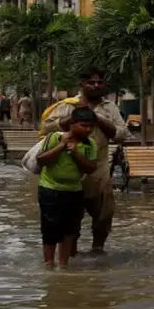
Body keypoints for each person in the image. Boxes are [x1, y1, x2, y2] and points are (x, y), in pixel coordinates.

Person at [42, 69, 129, 255]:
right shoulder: (68, 105)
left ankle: (97, 251)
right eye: (91, 82)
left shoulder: (110, 108)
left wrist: (97, 118)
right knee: (70, 219)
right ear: (82, 85)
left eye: (99, 82)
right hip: (70, 172)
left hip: (99, 170)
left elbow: (122, 135)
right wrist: (74, 117)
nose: (96, 86)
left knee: (104, 215)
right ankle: (70, 256)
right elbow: (47, 128)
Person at [36, 107, 99, 268]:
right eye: (84, 125)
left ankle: (63, 264)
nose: (88, 129)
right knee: (50, 228)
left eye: (91, 126)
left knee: (70, 230)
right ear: (72, 124)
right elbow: (41, 160)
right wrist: (61, 147)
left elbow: (91, 168)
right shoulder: (55, 137)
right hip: (50, 189)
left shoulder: (90, 144)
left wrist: (76, 154)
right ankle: (49, 263)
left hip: (74, 190)